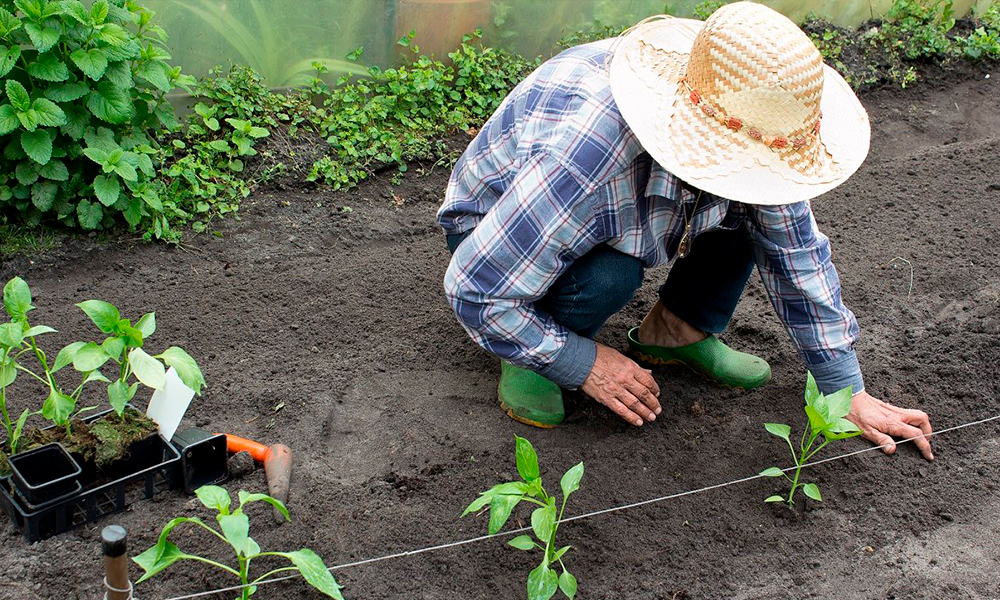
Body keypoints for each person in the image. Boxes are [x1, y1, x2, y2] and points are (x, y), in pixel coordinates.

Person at [437, 2, 934, 460]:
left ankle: (676, 332)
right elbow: (476, 290)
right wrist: (582, 361)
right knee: (611, 274)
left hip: (580, 214)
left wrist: (844, 388)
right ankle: (536, 351)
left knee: (755, 207)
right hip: (499, 240)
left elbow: (795, 252)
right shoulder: (587, 161)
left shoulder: (749, 114)